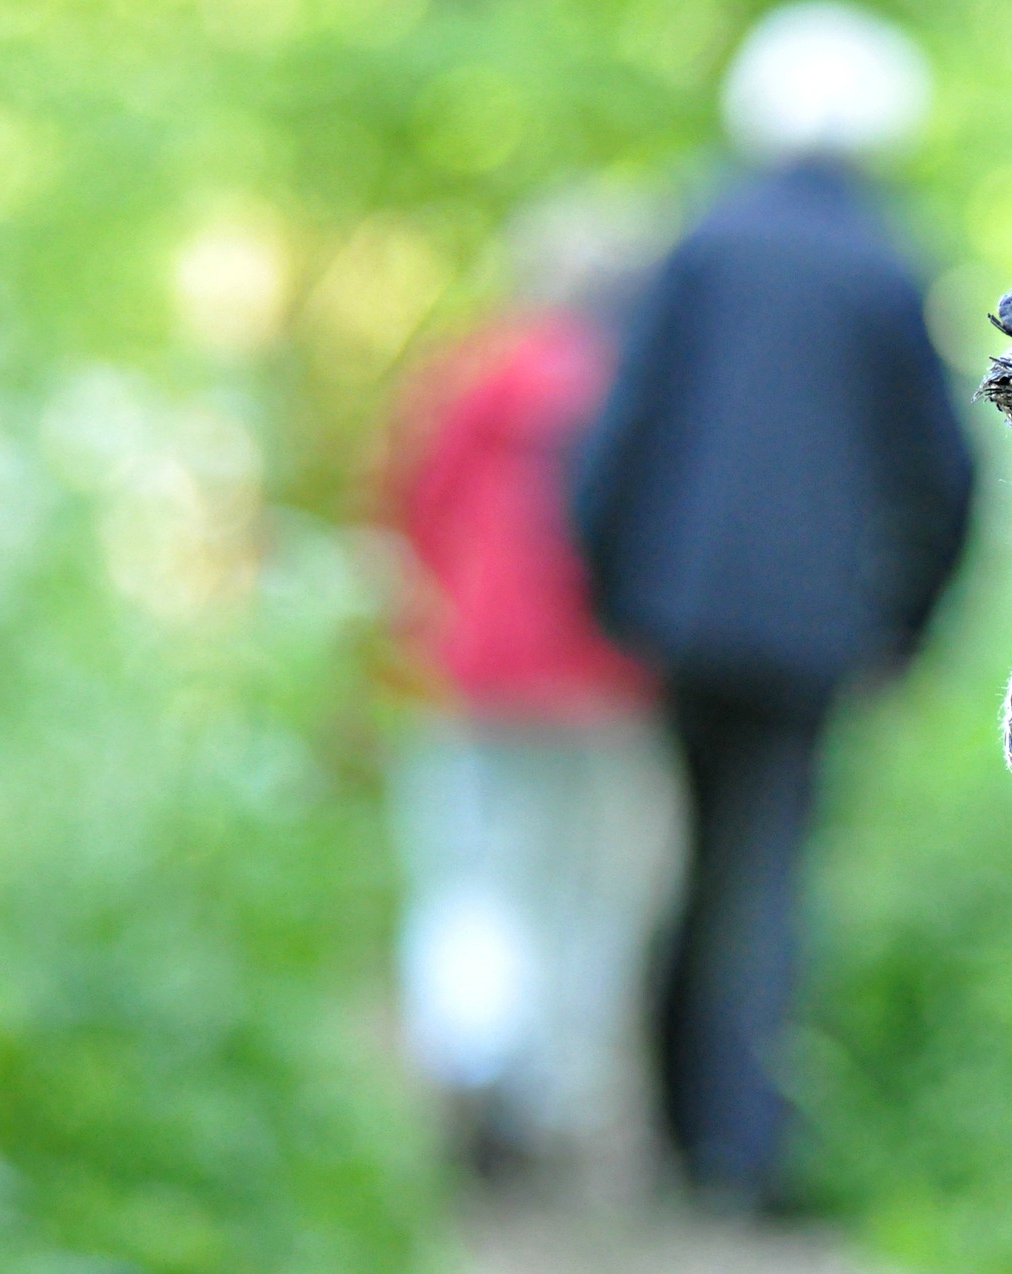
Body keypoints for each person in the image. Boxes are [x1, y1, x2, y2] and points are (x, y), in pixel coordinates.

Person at [571, 3, 974, 1210]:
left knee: (696, 855)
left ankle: (675, 1134)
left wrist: (614, 591)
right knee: (769, 866)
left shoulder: (701, 241)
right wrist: (911, 623)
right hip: (815, 629)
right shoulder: (890, 263)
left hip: (685, 620)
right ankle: (746, 1154)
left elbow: (618, 438)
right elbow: (943, 474)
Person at [383, 189, 687, 1206]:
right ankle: (555, 1099)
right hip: (607, 680)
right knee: (590, 892)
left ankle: (472, 1060)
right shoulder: (641, 389)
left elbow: (412, 506)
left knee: (474, 873)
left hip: (476, 673)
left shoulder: (473, 374)